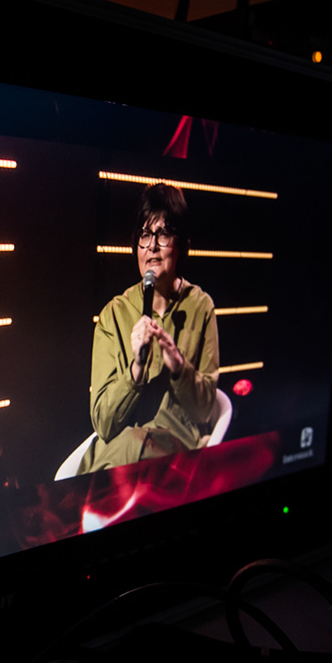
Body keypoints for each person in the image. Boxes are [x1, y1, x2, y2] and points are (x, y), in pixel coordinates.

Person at [74, 183, 220, 475]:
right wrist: (136, 369)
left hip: (173, 457)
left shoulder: (200, 305)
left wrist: (178, 367)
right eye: (145, 235)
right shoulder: (113, 315)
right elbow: (103, 423)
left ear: (181, 243)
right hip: (117, 456)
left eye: (163, 234)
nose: (152, 246)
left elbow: (205, 410)